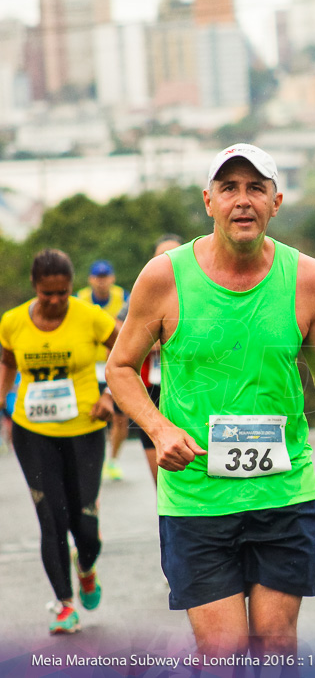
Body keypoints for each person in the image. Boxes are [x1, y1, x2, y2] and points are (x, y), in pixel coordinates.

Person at [106, 143, 315, 658]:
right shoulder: (164, 277)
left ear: (276, 201)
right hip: (198, 497)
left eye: (254, 188)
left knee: (275, 645)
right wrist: (159, 429)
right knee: (223, 652)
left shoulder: (309, 278)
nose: (241, 200)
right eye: (228, 188)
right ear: (208, 201)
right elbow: (120, 367)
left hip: (283, 492)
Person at [0, 249, 117, 634]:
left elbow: (124, 353)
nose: (55, 301)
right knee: (51, 519)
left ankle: (86, 566)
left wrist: (110, 396)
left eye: (63, 293)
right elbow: (7, 361)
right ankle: (65, 605)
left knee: (84, 524)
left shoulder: (91, 317)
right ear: (35, 287)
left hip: (85, 429)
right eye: (47, 293)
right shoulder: (13, 321)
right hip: (32, 433)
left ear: (71, 288)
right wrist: (2, 399)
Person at [114, 234, 184, 485]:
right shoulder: (145, 290)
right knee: (159, 464)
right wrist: (149, 340)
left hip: (190, 386)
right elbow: (120, 328)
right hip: (151, 385)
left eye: (176, 254)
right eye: (163, 256)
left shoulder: (201, 288)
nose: (170, 261)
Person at [78, 260, 130, 481]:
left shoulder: (124, 297)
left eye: (105, 277)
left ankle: (113, 460)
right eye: (97, 278)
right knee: (90, 414)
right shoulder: (79, 300)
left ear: (112, 278)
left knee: (120, 416)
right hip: (90, 366)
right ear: (90, 280)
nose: (101, 282)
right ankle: (88, 458)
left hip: (114, 365)